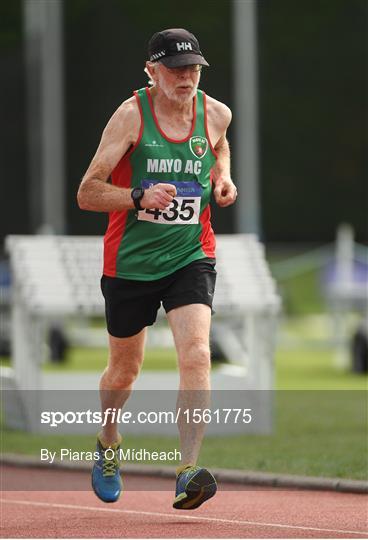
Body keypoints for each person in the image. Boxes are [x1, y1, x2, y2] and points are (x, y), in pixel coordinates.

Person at [77, 27, 237, 510]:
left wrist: (223, 175)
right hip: (130, 262)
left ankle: (188, 471)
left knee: (196, 354)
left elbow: (220, 145)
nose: (186, 78)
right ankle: (108, 441)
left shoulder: (215, 113)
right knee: (124, 372)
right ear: (152, 71)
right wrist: (137, 196)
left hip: (191, 252)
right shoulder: (130, 117)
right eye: (175, 69)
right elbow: (87, 192)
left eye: (193, 69)